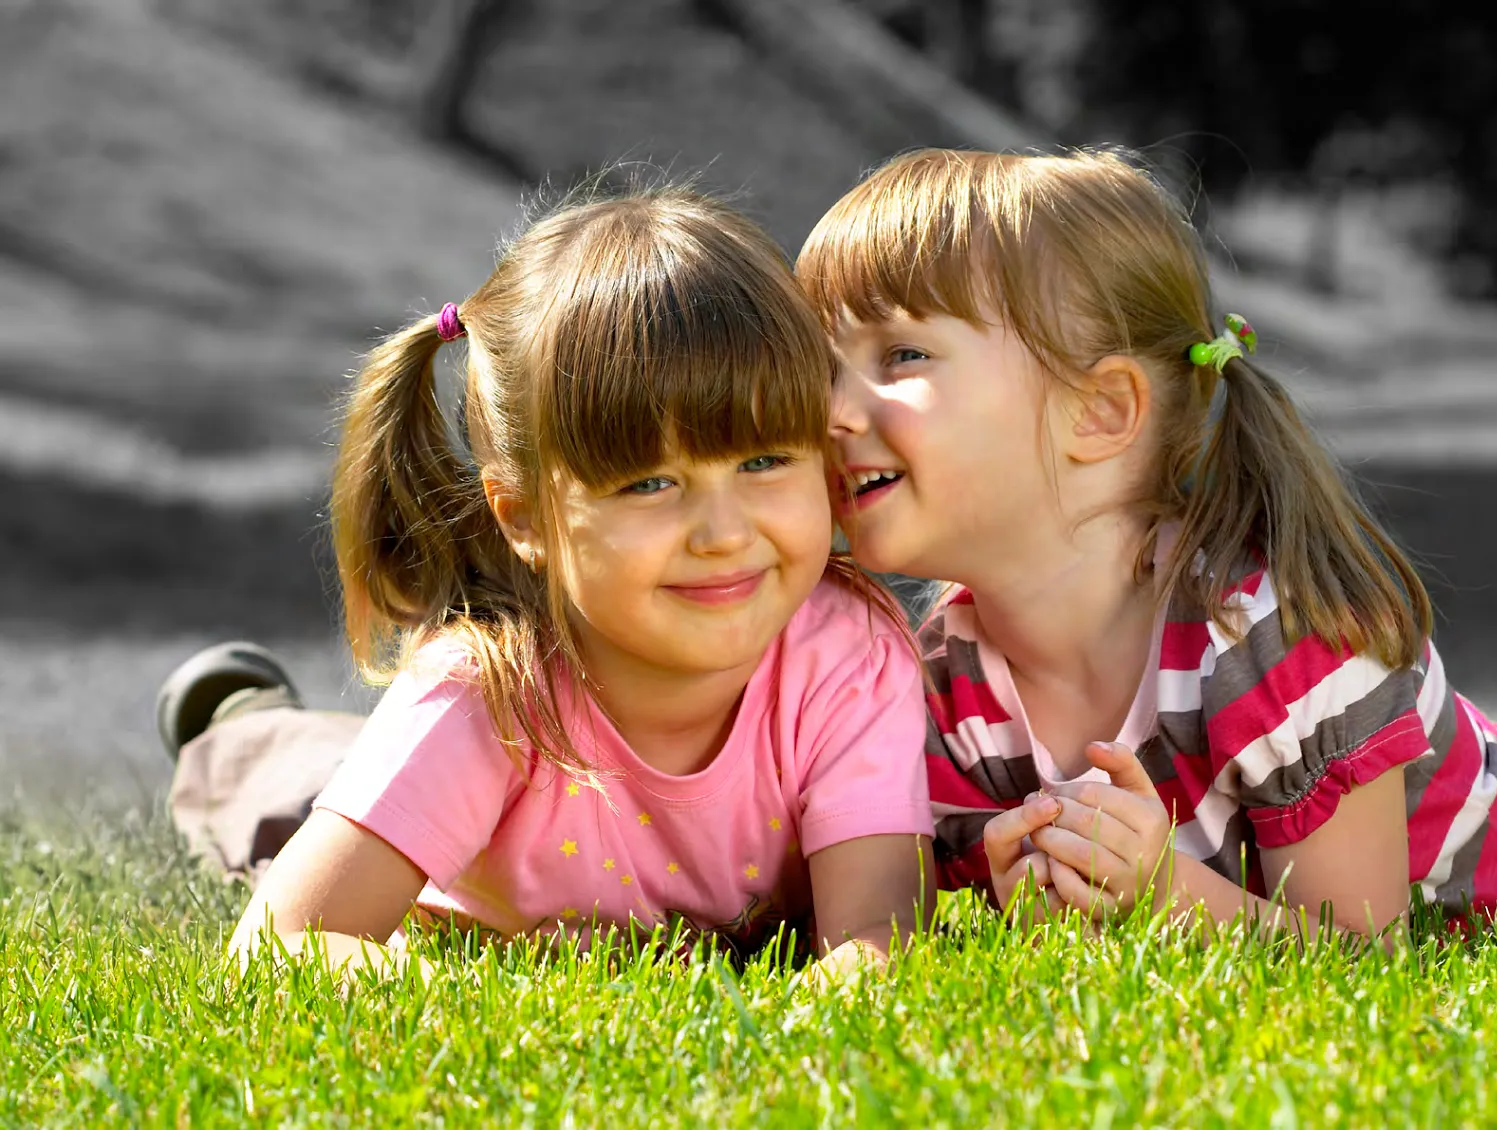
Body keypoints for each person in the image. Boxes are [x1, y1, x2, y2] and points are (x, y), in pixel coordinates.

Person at [796, 146, 1497, 941]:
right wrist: (1018, 893)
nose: (832, 412)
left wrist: (1163, 894)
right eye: (827, 369)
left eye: (900, 354)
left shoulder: (1279, 638)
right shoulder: (937, 688)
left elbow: (1364, 956)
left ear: (1102, 411)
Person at [169, 183, 934, 979]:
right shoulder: (485, 697)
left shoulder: (848, 655)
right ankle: (241, 721)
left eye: (764, 462)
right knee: (286, 789)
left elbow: (878, 936)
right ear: (525, 516)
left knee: (346, 762)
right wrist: (432, 991)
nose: (726, 534)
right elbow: (276, 948)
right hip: (397, 803)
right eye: (650, 483)